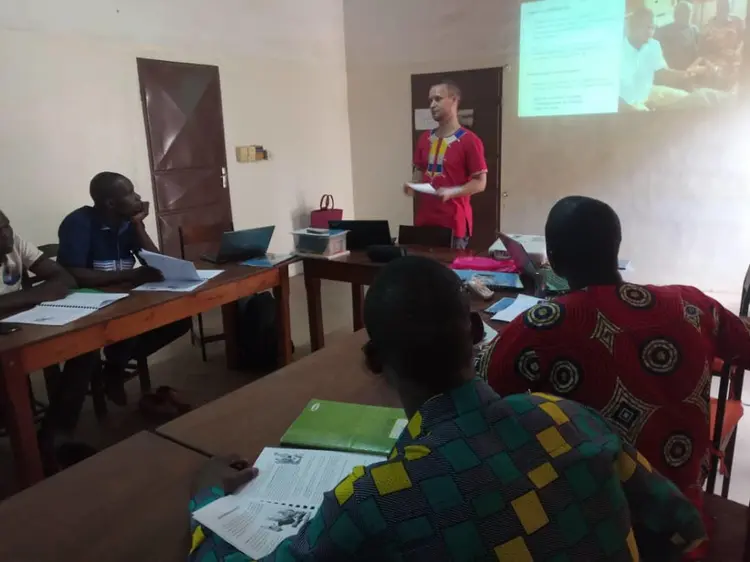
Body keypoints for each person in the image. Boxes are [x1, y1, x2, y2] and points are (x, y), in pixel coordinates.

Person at [188, 256, 706, 561]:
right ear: (477, 331)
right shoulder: (571, 418)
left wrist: (205, 499)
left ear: (374, 361)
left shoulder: (374, 500)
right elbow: (681, 525)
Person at [479, 195, 750, 559]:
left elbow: (479, 396)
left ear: (553, 261)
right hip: (682, 521)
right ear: (617, 246)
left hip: (588, 522)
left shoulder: (541, 325)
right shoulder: (692, 304)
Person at [57, 172, 191, 406]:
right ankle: (115, 365)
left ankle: (114, 365)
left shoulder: (127, 223)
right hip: (88, 301)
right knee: (128, 324)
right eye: (130, 193)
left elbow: (158, 264)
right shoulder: (78, 223)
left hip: (123, 297)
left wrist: (138, 225)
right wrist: (129, 275)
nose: (138, 197)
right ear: (110, 203)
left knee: (179, 320)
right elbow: (71, 274)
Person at [0, 210, 100, 471]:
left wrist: (19, 299)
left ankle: (55, 436)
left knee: (84, 347)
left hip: (23, 322)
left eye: (6, 226)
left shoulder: (15, 243)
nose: (5, 235)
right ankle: (28, 458)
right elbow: (51, 287)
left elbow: (64, 279)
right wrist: (37, 294)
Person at [403, 80, 487, 250]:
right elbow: (420, 169)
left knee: (448, 267)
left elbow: (480, 183)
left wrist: (452, 192)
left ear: (454, 100)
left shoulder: (470, 140)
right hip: (424, 223)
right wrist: (413, 185)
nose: (432, 105)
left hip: (453, 225)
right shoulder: (424, 138)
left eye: (438, 99)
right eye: (430, 100)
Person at [620, 8, 709, 110]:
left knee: (691, 99)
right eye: (645, 27)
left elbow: (663, 74)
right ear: (633, 27)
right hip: (627, 100)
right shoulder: (617, 49)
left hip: (650, 92)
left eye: (652, 27)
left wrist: (689, 73)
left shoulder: (653, 45)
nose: (650, 32)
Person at [655, 1, 700, 70]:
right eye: (683, 14)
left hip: (692, 69)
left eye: (689, 14)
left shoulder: (694, 30)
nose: (687, 17)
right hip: (673, 71)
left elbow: (699, 51)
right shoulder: (664, 31)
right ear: (675, 15)